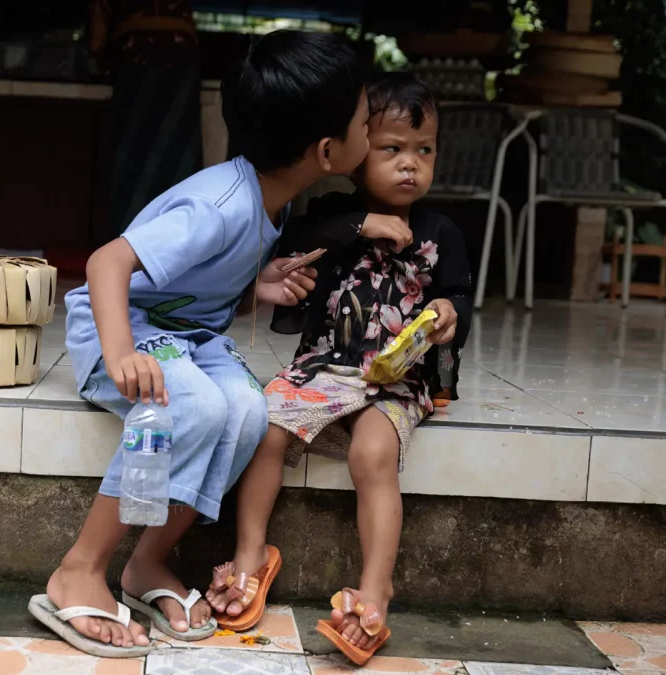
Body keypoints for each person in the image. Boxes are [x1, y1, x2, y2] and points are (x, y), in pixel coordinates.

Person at [28, 30, 372, 657]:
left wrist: (255, 288)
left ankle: (147, 563)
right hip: (122, 330)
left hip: (183, 337)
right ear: (327, 151)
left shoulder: (271, 199)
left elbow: (190, 287)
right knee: (194, 406)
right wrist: (121, 354)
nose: (370, 131)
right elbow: (108, 264)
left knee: (246, 411)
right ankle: (80, 566)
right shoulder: (219, 206)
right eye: (366, 121)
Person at [205, 74, 473, 666]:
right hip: (324, 367)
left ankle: (376, 587)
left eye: (423, 150)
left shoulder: (442, 233)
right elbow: (292, 241)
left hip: (397, 377)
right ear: (351, 156)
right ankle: (252, 554)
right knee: (264, 427)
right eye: (391, 149)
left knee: (371, 453)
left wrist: (449, 311)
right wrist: (361, 225)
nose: (410, 165)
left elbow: (456, 294)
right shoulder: (331, 214)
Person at [88, 0, 204, 239]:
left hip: (136, 64)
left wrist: (97, 56)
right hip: (182, 61)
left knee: (133, 157)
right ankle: (178, 239)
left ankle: (130, 241)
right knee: (176, 154)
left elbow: (96, 41)